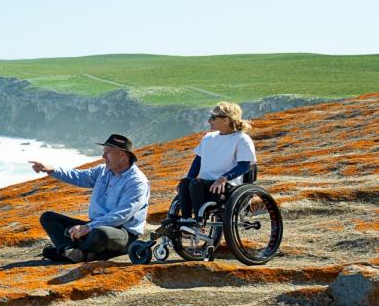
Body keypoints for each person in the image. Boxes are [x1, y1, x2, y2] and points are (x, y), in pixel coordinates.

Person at [30, 134, 150, 263]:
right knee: (48, 218)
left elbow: (121, 215)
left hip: (123, 234)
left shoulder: (137, 182)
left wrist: (88, 227)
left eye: (107, 153)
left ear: (122, 155)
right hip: (95, 226)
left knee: (101, 233)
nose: (103, 157)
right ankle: (74, 252)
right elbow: (78, 176)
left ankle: (69, 251)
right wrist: (52, 169)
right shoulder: (102, 171)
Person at [177, 101, 256, 225]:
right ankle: (186, 220)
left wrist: (223, 178)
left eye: (213, 117)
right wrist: (186, 182)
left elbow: (244, 166)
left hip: (226, 187)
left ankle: (199, 223)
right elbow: (197, 161)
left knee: (195, 183)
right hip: (202, 186)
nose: (209, 121)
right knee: (185, 182)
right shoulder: (208, 137)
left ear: (226, 119)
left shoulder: (242, 139)